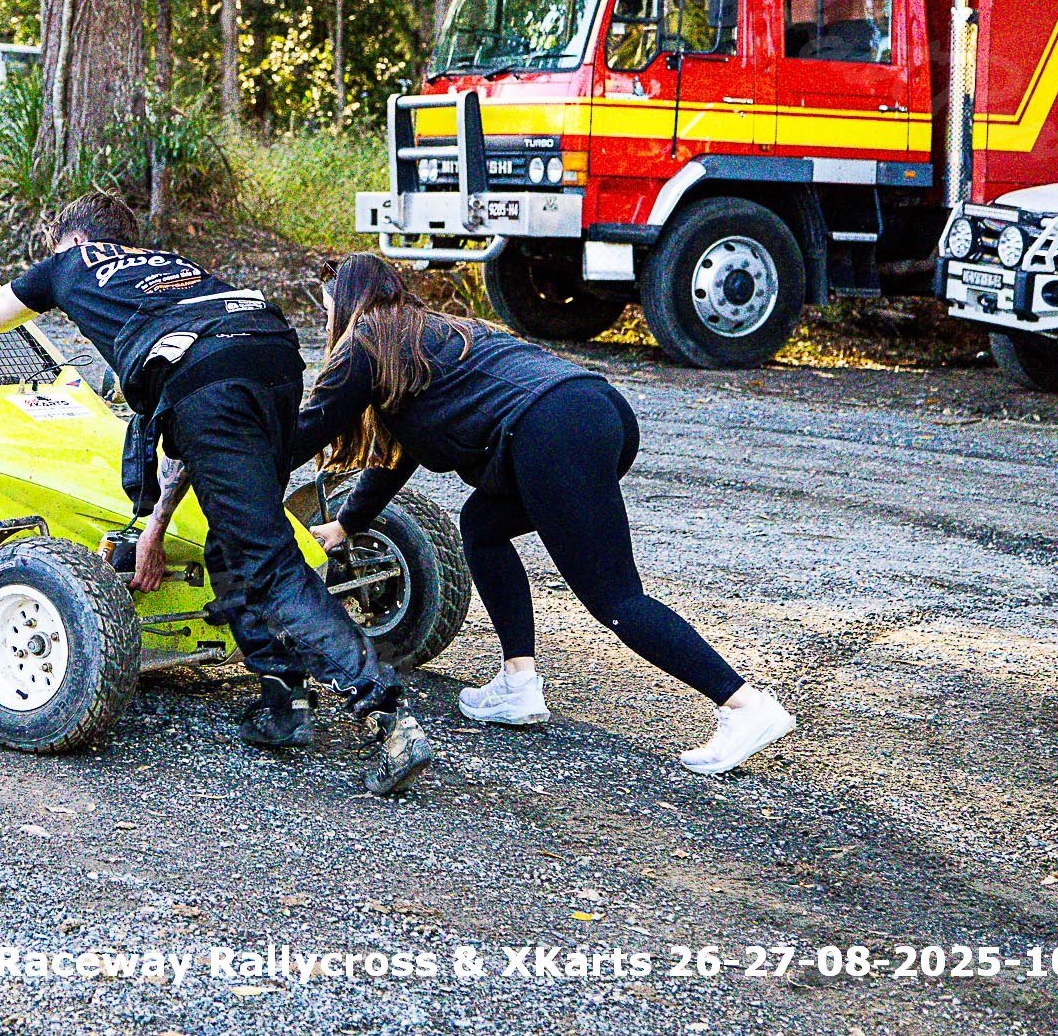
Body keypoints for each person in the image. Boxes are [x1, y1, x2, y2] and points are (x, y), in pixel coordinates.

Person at [0, 194, 434, 794]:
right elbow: (188, 432)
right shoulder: (172, 268)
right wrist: (155, 526)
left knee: (267, 561)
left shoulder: (71, 264)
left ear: (73, 240)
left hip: (210, 376)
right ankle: (282, 702)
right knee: (234, 537)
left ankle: (389, 715)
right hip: (272, 352)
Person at [291, 253, 795, 776]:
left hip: (552, 431)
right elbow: (399, 454)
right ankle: (518, 683)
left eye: (329, 310)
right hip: (595, 409)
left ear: (350, 304)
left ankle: (743, 704)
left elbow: (311, 427)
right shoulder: (427, 335)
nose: (328, 323)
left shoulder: (366, 341)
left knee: (617, 598)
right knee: (483, 525)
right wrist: (348, 523)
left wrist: (245, 461)